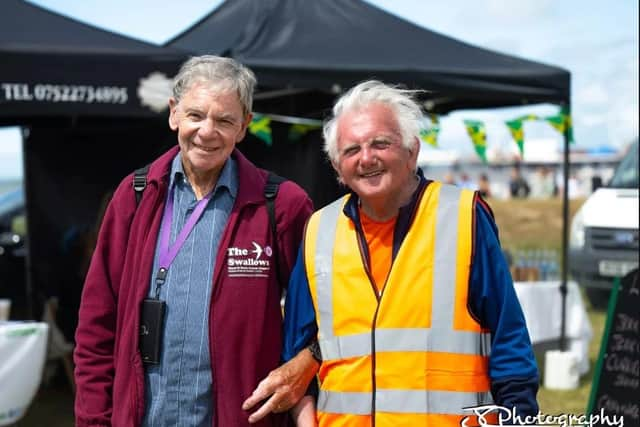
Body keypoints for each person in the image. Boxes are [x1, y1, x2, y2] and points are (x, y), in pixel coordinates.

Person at [269, 80, 539, 425]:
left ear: (412, 151)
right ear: (337, 168)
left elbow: (510, 344)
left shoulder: (463, 217)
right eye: (351, 150)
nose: (367, 158)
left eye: (381, 143)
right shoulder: (319, 230)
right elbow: (296, 351)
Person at [73, 55, 315, 427]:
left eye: (224, 120)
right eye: (196, 115)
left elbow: (315, 319)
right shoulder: (135, 196)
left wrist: (303, 366)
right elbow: (96, 325)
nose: (207, 131)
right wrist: (93, 420)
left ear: (245, 126)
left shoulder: (281, 205)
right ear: (174, 114)